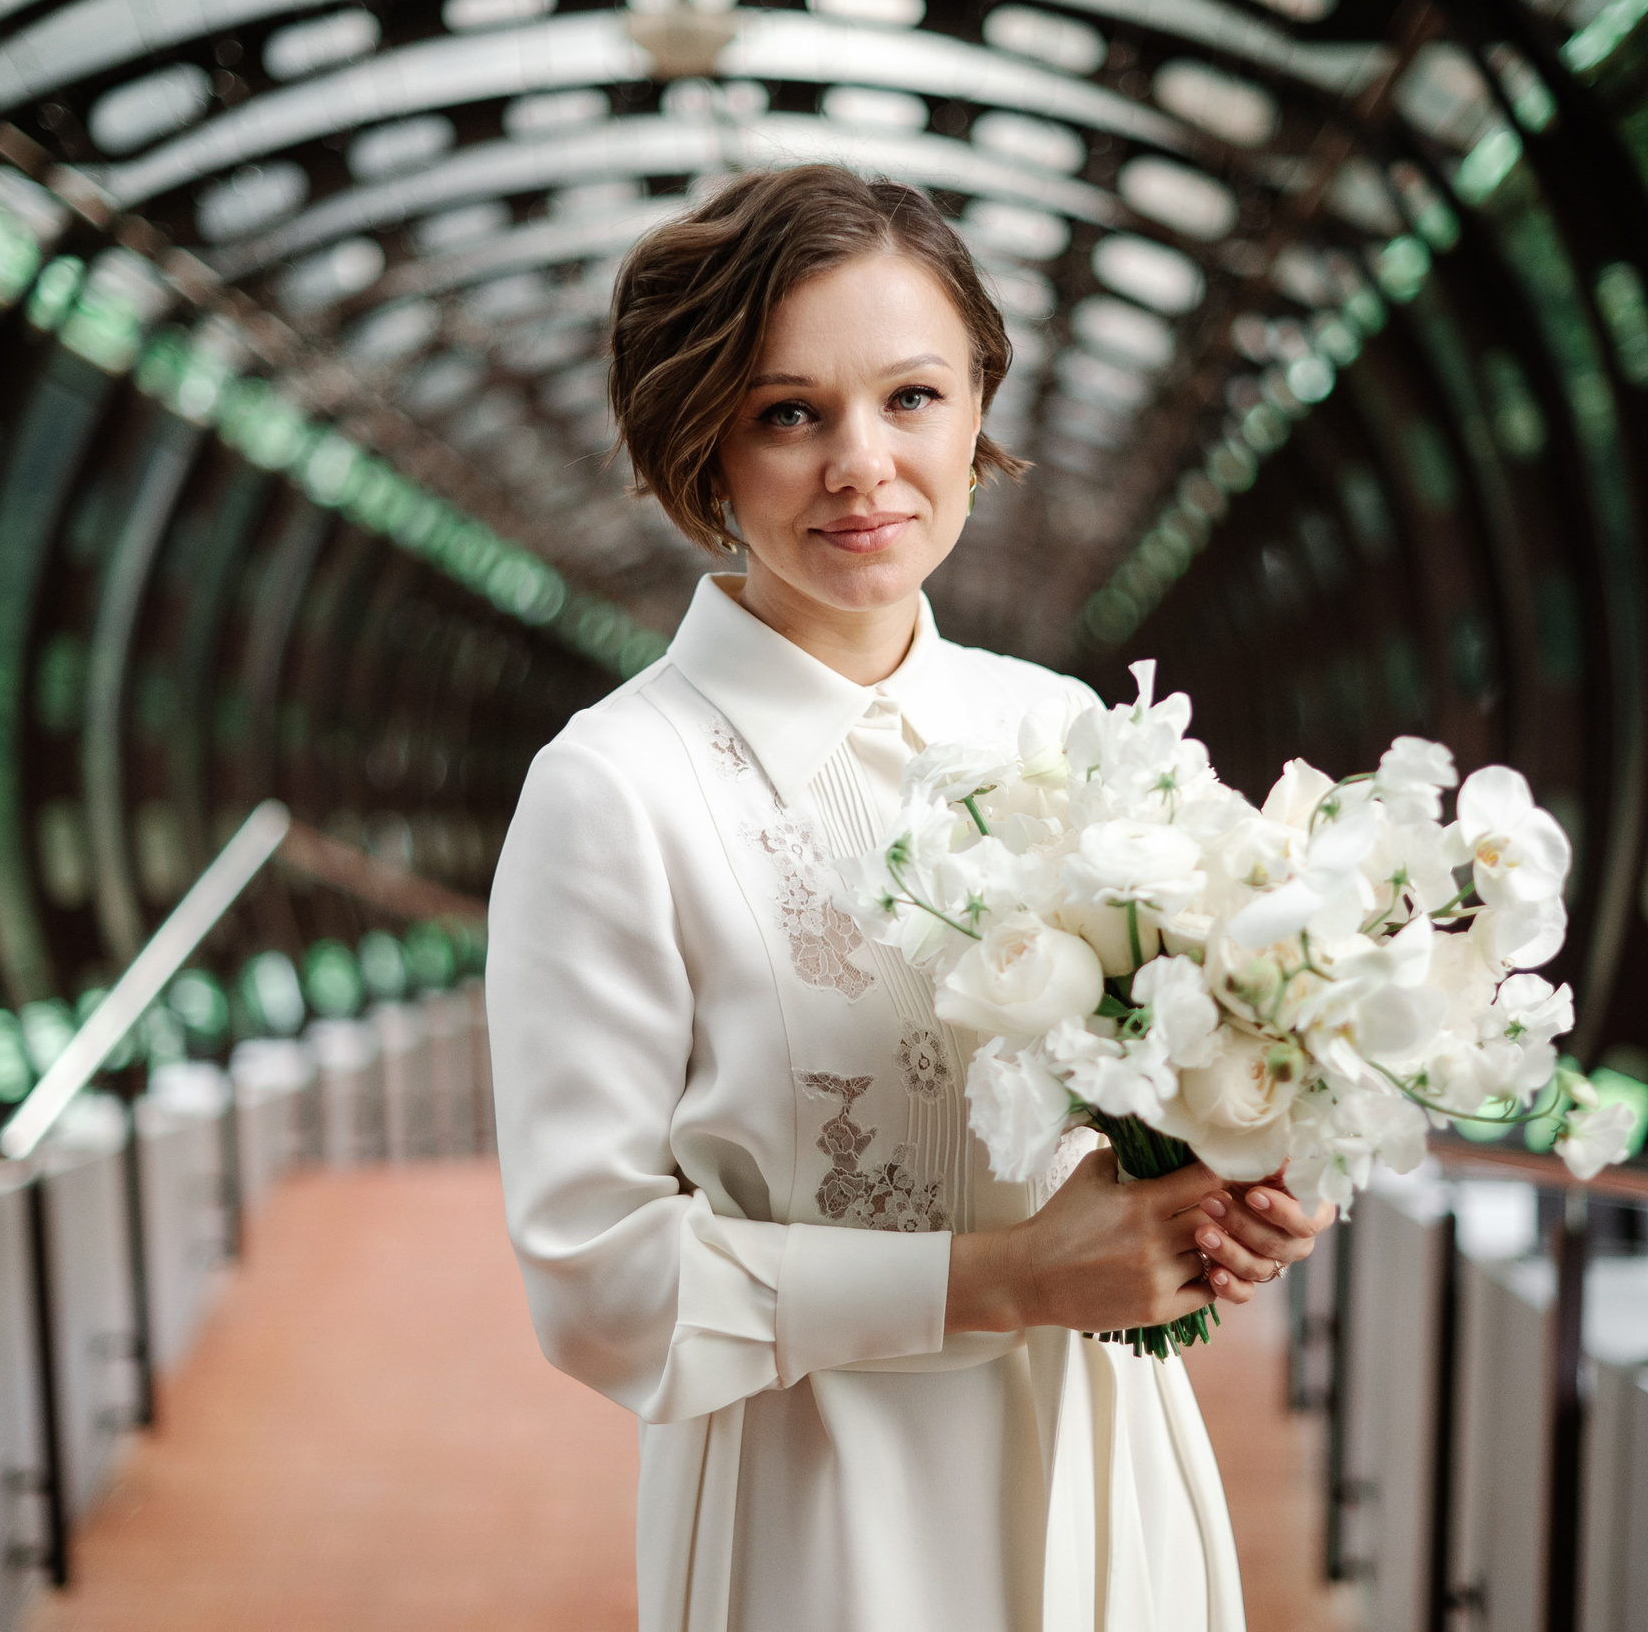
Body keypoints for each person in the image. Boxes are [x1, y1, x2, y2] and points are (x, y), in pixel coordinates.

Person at [487, 164, 1330, 1631]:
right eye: (789, 412)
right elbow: (597, 1284)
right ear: (702, 441)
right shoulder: (612, 789)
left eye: (913, 397)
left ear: (979, 404)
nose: (862, 464)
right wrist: (1011, 1279)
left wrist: (1233, 1191)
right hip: (822, 1513)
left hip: (1112, 1466)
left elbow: (1164, 1087)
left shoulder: (1064, 727)